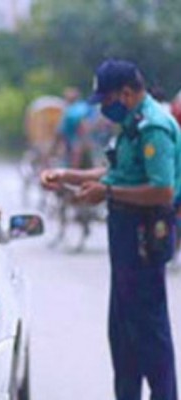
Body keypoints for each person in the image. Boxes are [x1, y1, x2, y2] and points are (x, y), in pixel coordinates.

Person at [40, 59, 180, 400]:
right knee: (122, 333)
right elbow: (115, 172)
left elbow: (162, 190)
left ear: (127, 93)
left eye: (106, 100)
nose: (104, 108)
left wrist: (108, 193)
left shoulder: (153, 128)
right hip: (124, 238)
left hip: (144, 235)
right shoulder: (132, 124)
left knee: (149, 333)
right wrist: (68, 176)